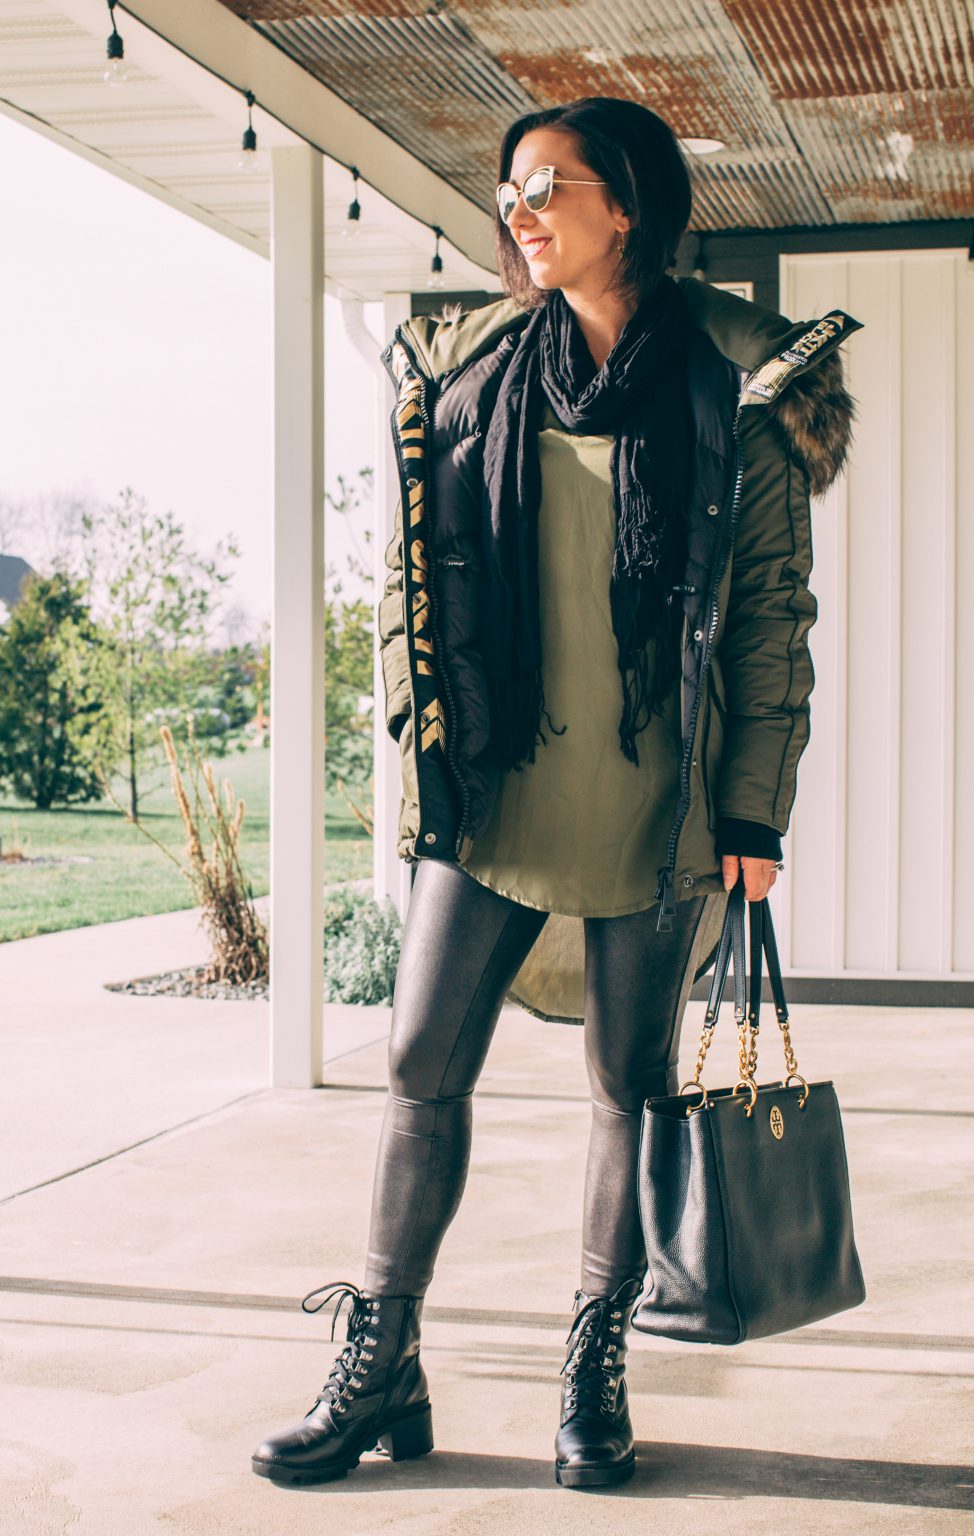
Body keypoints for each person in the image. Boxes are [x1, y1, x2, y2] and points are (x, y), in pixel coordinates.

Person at [252, 96, 860, 1491]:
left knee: (628, 1088)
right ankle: (379, 1362)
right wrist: (421, 737)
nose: (520, 213)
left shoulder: (731, 382)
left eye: (552, 189)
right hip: (496, 788)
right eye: (512, 191)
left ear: (627, 206)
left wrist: (753, 816)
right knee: (418, 1067)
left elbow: (771, 614)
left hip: (660, 804)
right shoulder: (476, 372)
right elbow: (412, 579)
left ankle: (593, 1369)